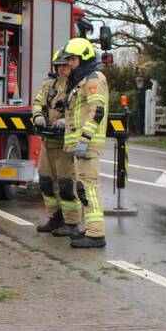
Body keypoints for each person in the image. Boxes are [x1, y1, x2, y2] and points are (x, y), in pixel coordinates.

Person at [61, 37, 110, 248]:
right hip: (80, 145)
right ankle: (90, 230)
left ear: (82, 58)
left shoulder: (93, 79)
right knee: (83, 188)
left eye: (72, 59)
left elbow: (96, 111)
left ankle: (96, 235)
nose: (69, 64)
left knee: (88, 189)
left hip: (87, 146)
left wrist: (84, 139)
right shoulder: (82, 80)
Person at [32, 49, 79, 233]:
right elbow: (38, 102)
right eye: (58, 65)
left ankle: (72, 222)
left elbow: (81, 111)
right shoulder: (49, 84)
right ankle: (54, 218)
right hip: (48, 141)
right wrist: (37, 115)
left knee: (66, 183)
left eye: (65, 65)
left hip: (65, 143)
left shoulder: (77, 86)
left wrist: (66, 121)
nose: (61, 69)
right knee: (46, 181)